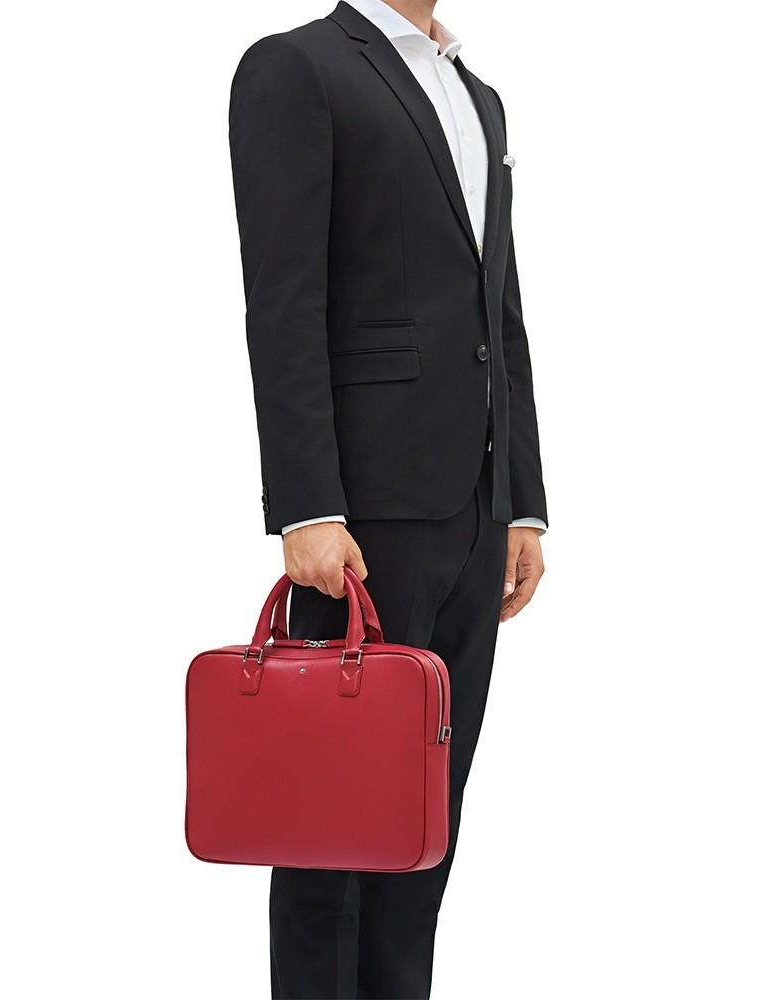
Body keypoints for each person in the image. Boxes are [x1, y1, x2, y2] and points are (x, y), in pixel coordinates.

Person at [229, 1, 548, 996]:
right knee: (328, 832)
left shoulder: (479, 97)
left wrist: (522, 501)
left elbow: (499, 306)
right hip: (361, 518)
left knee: (422, 827)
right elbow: (283, 297)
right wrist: (306, 504)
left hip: (475, 513)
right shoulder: (297, 69)